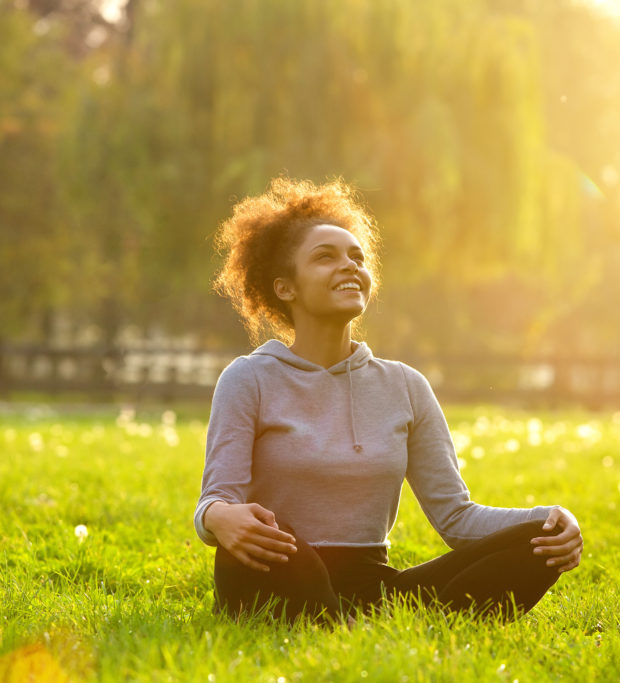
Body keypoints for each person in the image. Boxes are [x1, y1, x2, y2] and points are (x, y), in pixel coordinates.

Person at [194, 177, 582, 624]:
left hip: (372, 586)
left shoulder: (405, 385)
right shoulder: (249, 378)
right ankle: (340, 623)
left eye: (357, 257)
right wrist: (219, 519)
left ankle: (342, 622)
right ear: (286, 288)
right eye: (326, 257)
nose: (349, 266)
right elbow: (216, 501)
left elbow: (456, 517)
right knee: (276, 544)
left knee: (538, 540)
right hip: (278, 567)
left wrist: (553, 517)